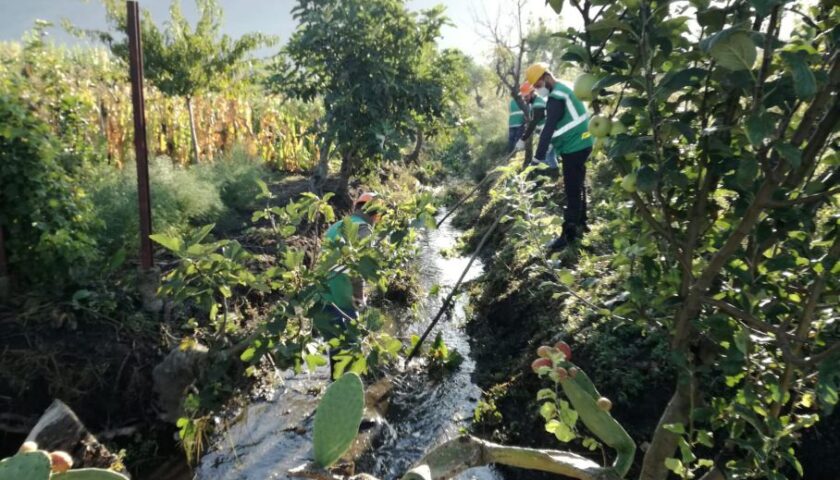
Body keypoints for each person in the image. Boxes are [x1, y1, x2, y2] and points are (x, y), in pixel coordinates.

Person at [525, 62, 593, 252]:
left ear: (546, 77)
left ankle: (568, 236)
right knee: (578, 184)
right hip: (582, 142)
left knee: (572, 190)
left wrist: (538, 158)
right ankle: (582, 224)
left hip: (575, 146)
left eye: (538, 86)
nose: (538, 91)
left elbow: (548, 129)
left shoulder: (556, 97)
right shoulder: (564, 88)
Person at [315, 192, 382, 378]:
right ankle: (348, 392)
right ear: (375, 215)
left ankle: (335, 387)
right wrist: (359, 297)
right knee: (352, 347)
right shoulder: (363, 229)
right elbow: (357, 267)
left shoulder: (340, 224)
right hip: (339, 297)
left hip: (320, 296)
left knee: (336, 348)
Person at [514, 82, 558, 175]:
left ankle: (541, 180)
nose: (524, 99)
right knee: (550, 156)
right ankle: (555, 174)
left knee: (542, 158)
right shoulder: (535, 102)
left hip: (549, 134)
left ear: (532, 93)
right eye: (523, 97)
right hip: (548, 133)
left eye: (526, 96)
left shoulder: (538, 104)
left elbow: (533, 123)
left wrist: (523, 138)